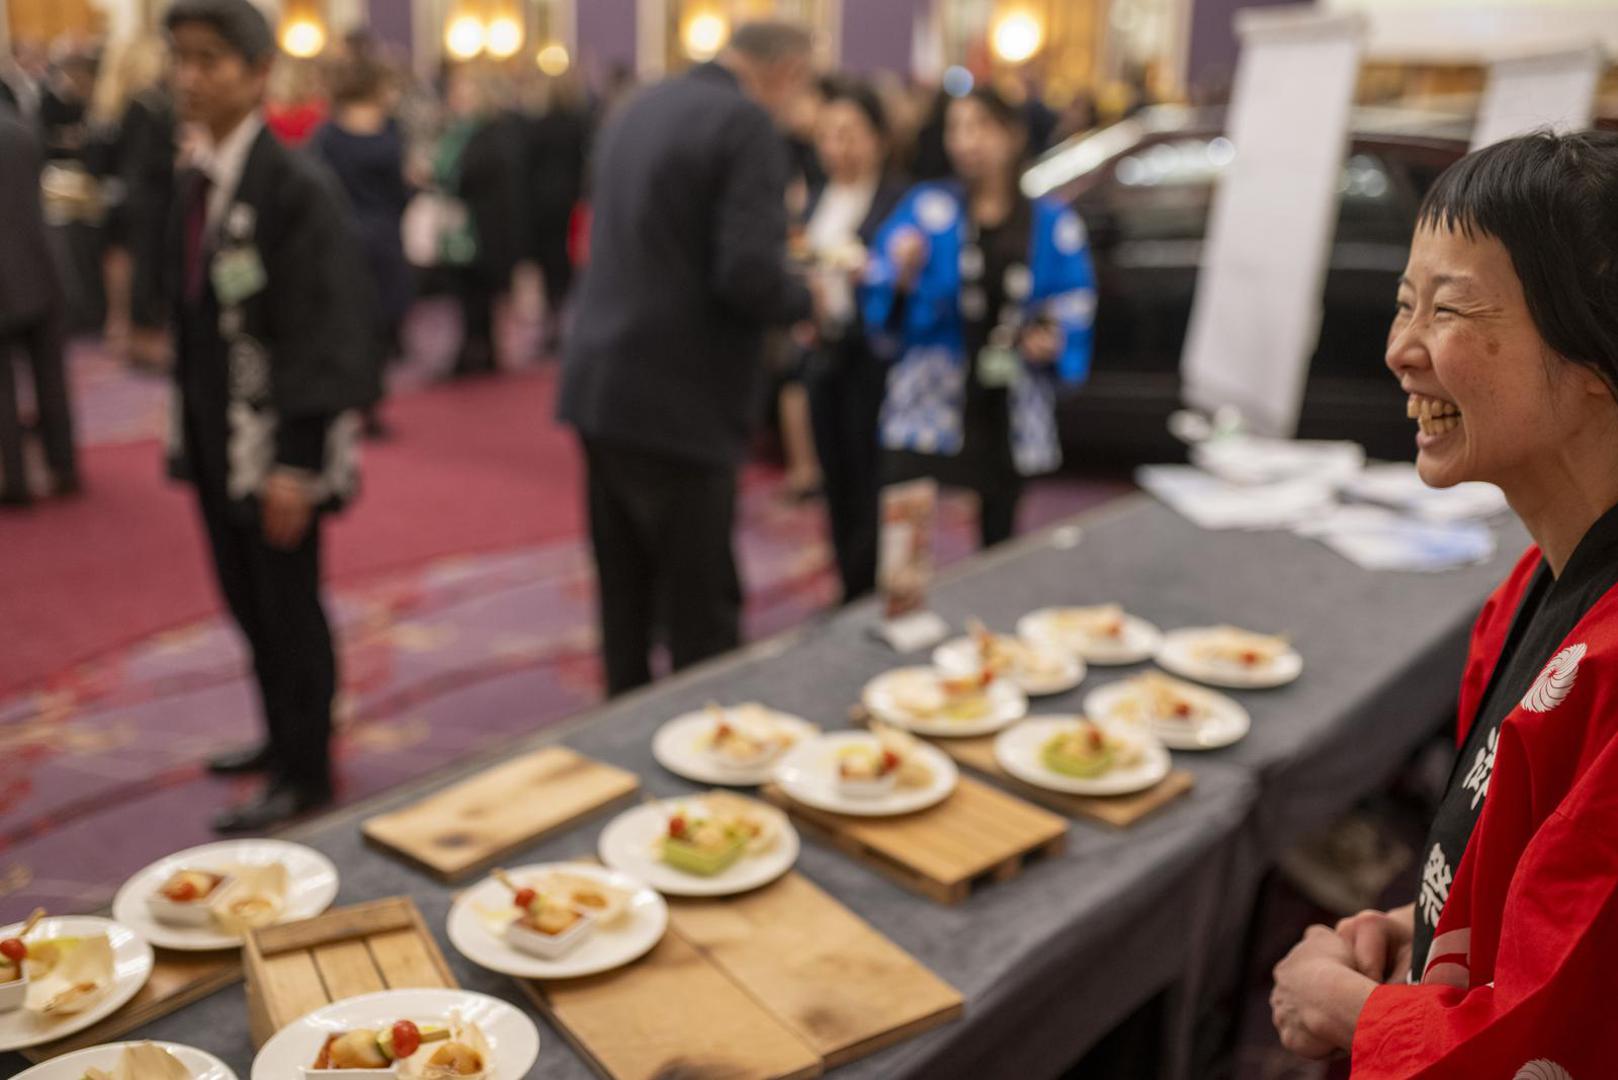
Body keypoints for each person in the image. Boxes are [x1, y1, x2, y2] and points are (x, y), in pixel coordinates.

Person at [1269, 131, 1618, 1075]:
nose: (1398, 349)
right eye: (1403, 305)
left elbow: (1562, 1039)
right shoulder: (1532, 587)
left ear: (1596, 354)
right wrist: (1424, 932)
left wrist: (1353, 1012)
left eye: (1449, 309)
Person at [162, 0, 373, 832]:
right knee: (246, 599)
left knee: (290, 604)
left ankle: (308, 766)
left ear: (258, 74)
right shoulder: (196, 178)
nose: (189, 78)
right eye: (180, 59)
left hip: (277, 441)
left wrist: (296, 461)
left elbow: (327, 333)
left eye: (210, 61)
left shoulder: (294, 185)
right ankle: (279, 736)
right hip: (215, 432)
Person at [559, 20, 815, 696]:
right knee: (701, 611)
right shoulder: (746, 124)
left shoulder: (637, 104)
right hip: (682, 397)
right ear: (785, 70)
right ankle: (699, 775)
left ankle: (623, 745)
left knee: (625, 601)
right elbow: (748, 273)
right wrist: (810, 295)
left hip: (599, 383)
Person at [861, 87, 1096, 549]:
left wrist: (1053, 340)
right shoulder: (926, 208)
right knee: (903, 521)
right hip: (931, 389)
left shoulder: (1051, 222)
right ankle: (899, 610)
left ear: (1012, 135)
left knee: (1001, 527)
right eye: (957, 128)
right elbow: (881, 279)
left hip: (1007, 393)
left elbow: (1073, 301)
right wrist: (901, 277)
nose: (966, 141)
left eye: (980, 127)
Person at [799, 79, 906, 601]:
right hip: (825, 351)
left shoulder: (900, 200)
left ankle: (874, 586)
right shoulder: (817, 196)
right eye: (828, 135)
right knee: (835, 475)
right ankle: (849, 582)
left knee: (873, 478)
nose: (837, 148)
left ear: (878, 139)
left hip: (877, 356)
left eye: (849, 134)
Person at [310, 57, 410, 434]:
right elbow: (398, 190)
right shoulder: (389, 132)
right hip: (380, 237)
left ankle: (352, 395)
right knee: (380, 321)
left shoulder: (329, 134)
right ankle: (369, 398)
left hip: (346, 237)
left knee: (351, 321)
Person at [0, 102, 78, 506]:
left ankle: (13, 479)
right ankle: (64, 466)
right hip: (42, 261)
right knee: (51, 376)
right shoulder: (21, 128)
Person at [90, 34, 176, 370]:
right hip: (146, 202)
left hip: (122, 199)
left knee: (120, 264)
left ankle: (121, 329)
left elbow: (100, 160)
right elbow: (147, 161)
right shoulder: (146, 104)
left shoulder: (111, 102)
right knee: (143, 269)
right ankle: (142, 338)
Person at [436, 68, 523, 378]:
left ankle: (478, 348)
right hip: (464, 225)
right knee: (468, 292)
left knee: (479, 293)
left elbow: (470, 176)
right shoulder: (458, 132)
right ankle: (476, 347)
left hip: (482, 226)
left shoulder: (491, 134)